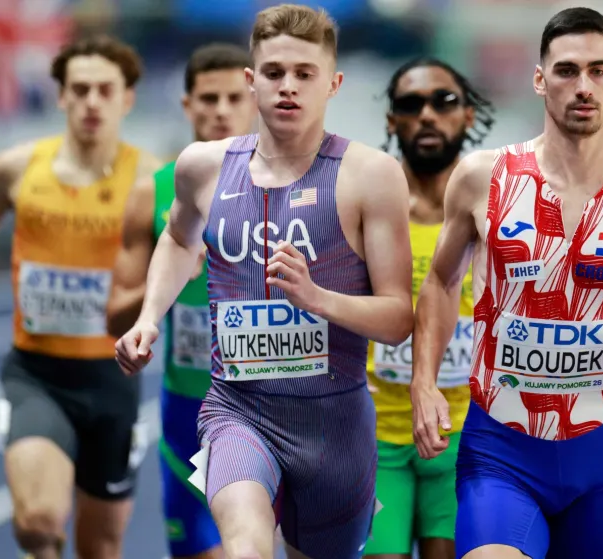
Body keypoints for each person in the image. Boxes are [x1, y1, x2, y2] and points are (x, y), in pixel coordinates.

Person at [410, 7, 603, 559]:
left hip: (601, 456)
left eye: (599, 71)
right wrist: (425, 382)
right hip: (500, 448)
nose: (584, 86)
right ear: (539, 80)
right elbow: (439, 282)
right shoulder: (484, 177)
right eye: (567, 70)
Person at [114, 5, 414, 559]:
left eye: (305, 74)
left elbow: (399, 318)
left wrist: (316, 297)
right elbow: (180, 239)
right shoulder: (202, 167)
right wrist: (149, 318)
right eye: (274, 73)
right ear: (252, 82)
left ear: (334, 83)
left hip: (336, 426)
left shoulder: (370, 176)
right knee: (245, 547)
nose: (288, 87)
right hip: (237, 408)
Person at [0, 36, 162, 559]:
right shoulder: (17, 169)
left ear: (127, 99)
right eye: (79, 90)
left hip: (114, 379)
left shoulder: (153, 180)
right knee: (38, 524)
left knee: (100, 547)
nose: (91, 102)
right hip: (38, 374)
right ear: (60, 96)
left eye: (105, 90)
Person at [106, 43, 257, 559]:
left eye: (233, 97)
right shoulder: (154, 193)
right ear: (186, 104)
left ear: (255, 98)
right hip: (189, 412)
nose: (220, 110)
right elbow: (116, 314)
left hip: (273, 406)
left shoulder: (292, 185)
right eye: (207, 98)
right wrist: (163, 288)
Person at [364, 57, 494, 559]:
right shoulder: (367, 205)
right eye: (410, 104)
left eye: (443, 102)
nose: (427, 115)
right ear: (391, 121)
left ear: (466, 115)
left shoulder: (495, 208)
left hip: (465, 438)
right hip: (376, 439)